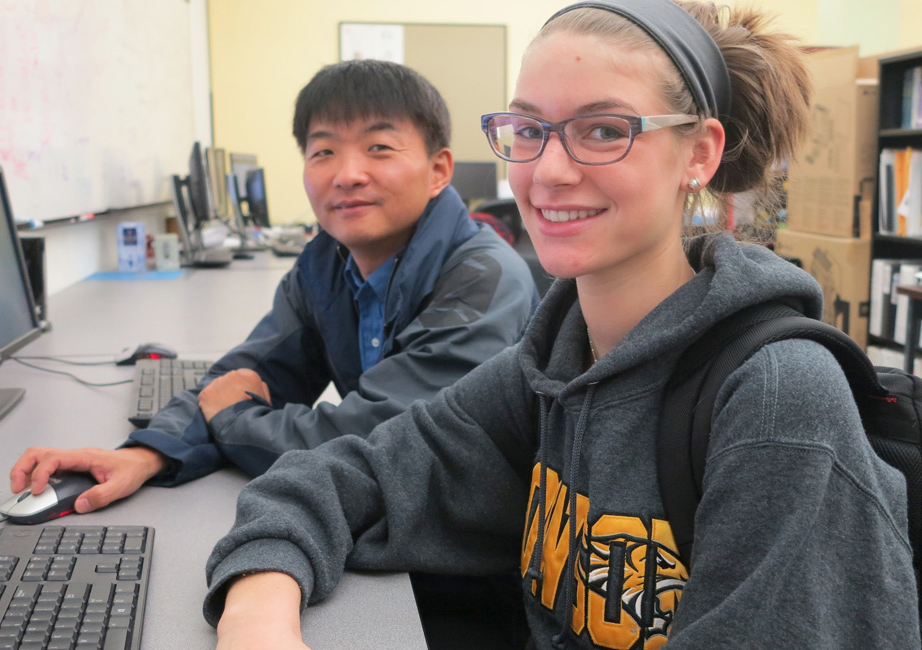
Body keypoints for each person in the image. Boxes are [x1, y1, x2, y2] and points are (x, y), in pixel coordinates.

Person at [203, 1, 922, 649]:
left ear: (699, 153)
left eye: (604, 131)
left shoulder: (775, 402)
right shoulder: (551, 365)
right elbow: (339, 476)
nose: (547, 171)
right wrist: (257, 613)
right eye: (529, 129)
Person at [9, 61, 537, 520]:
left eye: (379, 147)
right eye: (323, 151)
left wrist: (234, 420)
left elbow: (382, 439)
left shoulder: (483, 281)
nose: (347, 174)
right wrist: (149, 454)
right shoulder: (325, 267)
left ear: (438, 170)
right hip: (387, 515)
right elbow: (249, 376)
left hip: (474, 550)